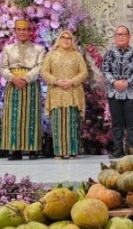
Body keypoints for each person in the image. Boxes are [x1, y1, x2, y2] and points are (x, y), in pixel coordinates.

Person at [0, 18, 46, 160]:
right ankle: (14, 150)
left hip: (30, 85)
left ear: (30, 31)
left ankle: (33, 149)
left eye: (24, 29)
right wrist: (13, 78)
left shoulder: (39, 49)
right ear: (15, 31)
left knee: (31, 116)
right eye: (19, 29)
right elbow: (3, 67)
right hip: (12, 84)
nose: (22, 32)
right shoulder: (8, 48)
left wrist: (26, 78)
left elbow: (40, 67)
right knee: (13, 117)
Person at [40, 30, 88, 159]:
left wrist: (72, 81)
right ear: (59, 40)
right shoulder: (51, 55)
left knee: (72, 122)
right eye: (63, 37)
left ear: (72, 41)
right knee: (58, 123)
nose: (66, 40)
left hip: (73, 92)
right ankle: (59, 152)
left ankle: (72, 151)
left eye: (69, 38)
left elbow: (84, 73)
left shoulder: (77, 55)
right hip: (56, 92)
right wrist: (56, 81)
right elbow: (44, 72)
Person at [102, 25, 133, 159]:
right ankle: (118, 149)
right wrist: (114, 82)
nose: (121, 37)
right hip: (114, 92)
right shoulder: (109, 53)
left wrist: (128, 82)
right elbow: (105, 70)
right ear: (115, 37)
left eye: (123, 34)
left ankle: (132, 149)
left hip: (130, 92)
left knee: (131, 123)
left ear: (129, 37)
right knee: (117, 123)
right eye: (118, 34)